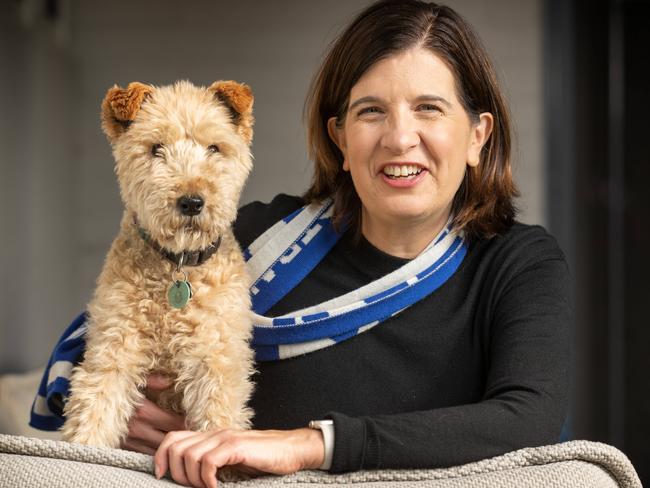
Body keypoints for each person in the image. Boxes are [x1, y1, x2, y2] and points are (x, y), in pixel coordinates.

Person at [114, 1, 573, 486]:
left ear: (478, 136)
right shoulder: (257, 239)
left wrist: (309, 444)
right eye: (371, 111)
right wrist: (150, 417)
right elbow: (97, 346)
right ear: (340, 140)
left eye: (428, 108)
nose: (399, 138)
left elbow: (527, 418)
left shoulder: (518, 264)